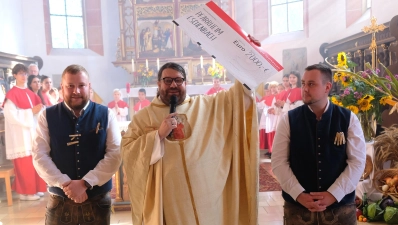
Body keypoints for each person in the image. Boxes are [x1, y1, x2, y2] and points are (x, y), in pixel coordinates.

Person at [121, 62, 258, 225]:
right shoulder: (144, 117)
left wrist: (246, 58)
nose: (173, 85)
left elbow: (240, 99)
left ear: (186, 83)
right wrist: (157, 135)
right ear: (158, 84)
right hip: (171, 201)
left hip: (207, 197)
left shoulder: (206, 106)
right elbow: (128, 150)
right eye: (167, 80)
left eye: (179, 80)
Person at [271, 64, 366, 225]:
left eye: (311, 84)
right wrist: (299, 194)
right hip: (298, 208)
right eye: (303, 83)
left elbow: (357, 161)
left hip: (340, 208)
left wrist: (334, 194)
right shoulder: (289, 119)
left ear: (327, 87)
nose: (305, 89)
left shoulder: (348, 118)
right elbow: (279, 162)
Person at [32, 64, 122, 225]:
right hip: (60, 198)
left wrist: (86, 182)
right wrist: (64, 182)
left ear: (89, 86)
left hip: (97, 198)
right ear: (62, 87)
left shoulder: (106, 114)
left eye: (81, 85)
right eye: (70, 86)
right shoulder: (47, 115)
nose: (76, 91)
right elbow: (40, 155)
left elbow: (115, 153)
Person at [3, 64, 46, 201]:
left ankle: (33, 189)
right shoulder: (12, 94)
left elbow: (37, 114)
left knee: (34, 162)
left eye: (25, 74)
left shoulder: (29, 93)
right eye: (20, 73)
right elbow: (11, 115)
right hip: (19, 135)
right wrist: (30, 112)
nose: (24, 76)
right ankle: (25, 192)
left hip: (31, 133)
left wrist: (39, 111)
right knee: (24, 165)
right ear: (14, 75)